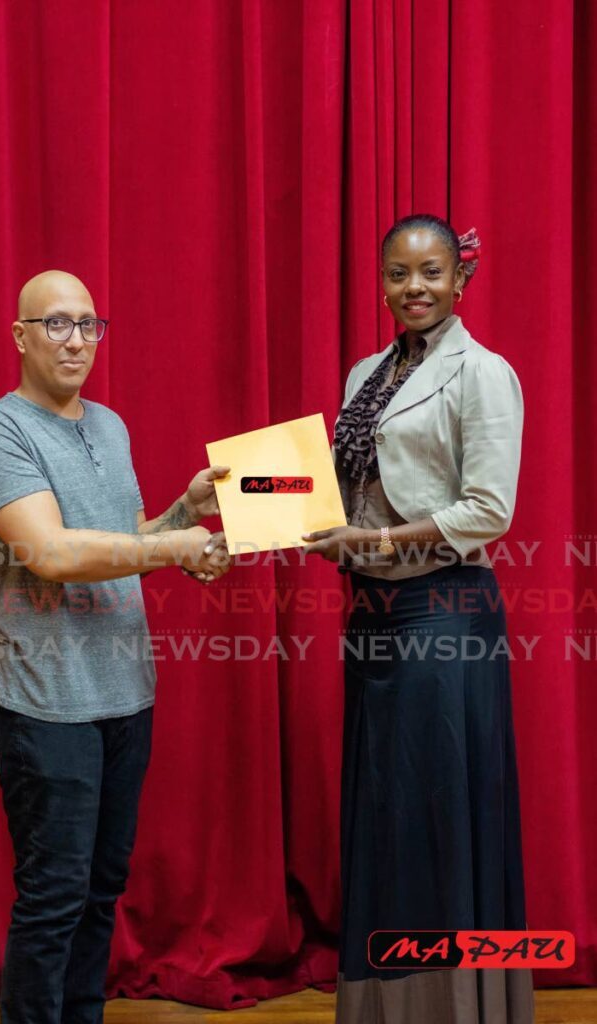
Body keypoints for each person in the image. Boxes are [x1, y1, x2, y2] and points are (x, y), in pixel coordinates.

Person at [0, 270, 230, 1024]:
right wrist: (177, 544)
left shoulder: (109, 425)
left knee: (101, 892)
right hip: (48, 707)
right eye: (55, 324)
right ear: (21, 337)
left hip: (126, 696)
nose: (76, 340)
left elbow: (123, 538)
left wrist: (184, 510)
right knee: (53, 898)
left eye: (88, 324)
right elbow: (50, 553)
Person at [303, 215, 535, 1023]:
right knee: (386, 812)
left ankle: (469, 1006)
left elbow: (488, 509)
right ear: (380, 283)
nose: (414, 288)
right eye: (399, 275)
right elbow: (333, 489)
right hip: (370, 614)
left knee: (440, 811)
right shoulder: (367, 372)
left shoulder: (483, 373)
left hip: (445, 612)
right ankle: (389, 1008)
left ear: (460, 280)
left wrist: (376, 538)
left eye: (431, 272)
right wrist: (242, 497)